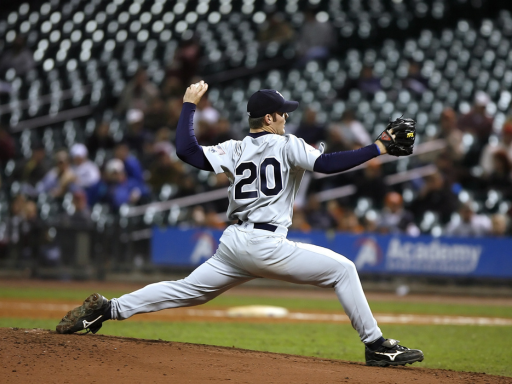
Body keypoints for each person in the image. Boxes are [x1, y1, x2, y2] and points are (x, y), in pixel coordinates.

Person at [56, 81, 423, 368]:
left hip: (234, 243)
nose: (285, 118)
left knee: (187, 290)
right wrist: (380, 146)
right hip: (266, 245)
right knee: (344, 269)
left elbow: (185, 150)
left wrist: (189, 104)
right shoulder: (287, 144)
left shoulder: (234, 148)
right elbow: (326, 165)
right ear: (269, 119)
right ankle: (376, 347)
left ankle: (109, 309)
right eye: (282, 114)